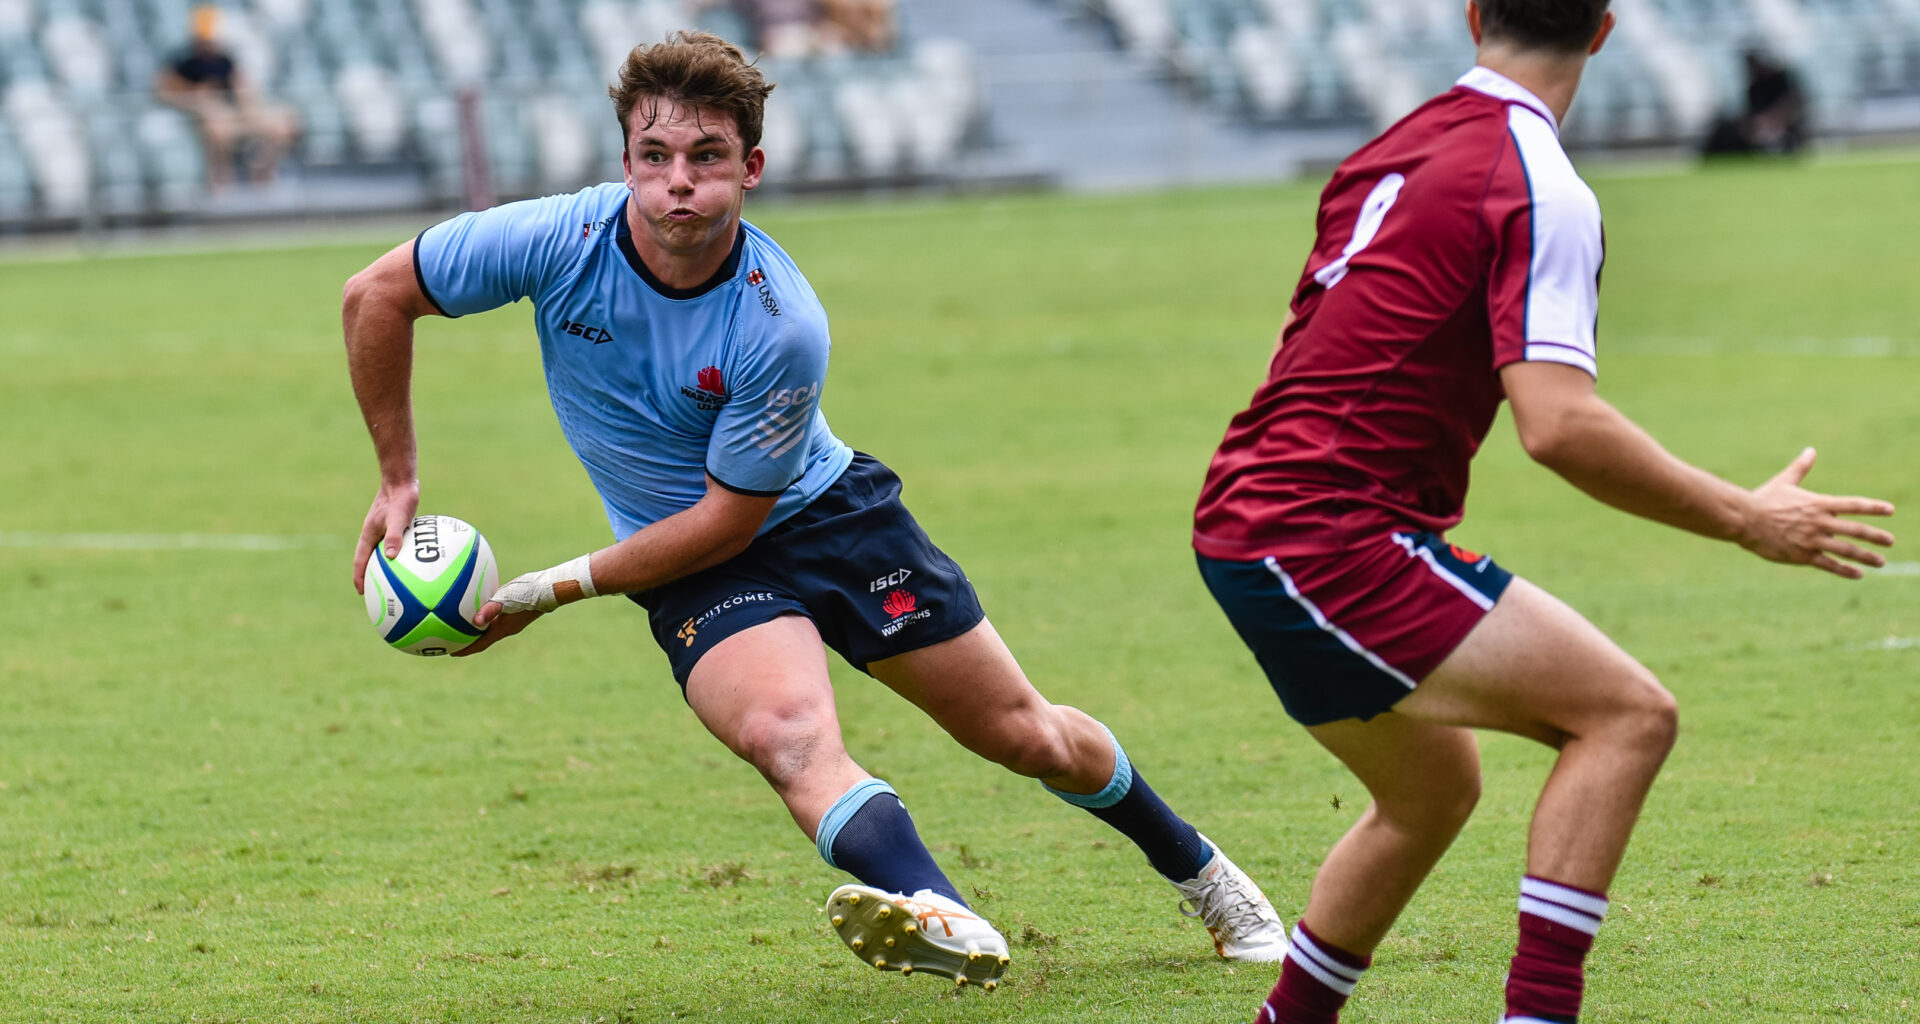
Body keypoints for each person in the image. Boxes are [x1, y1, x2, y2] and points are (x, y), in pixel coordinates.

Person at [344, 31, 1286, 989]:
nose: (678, 181)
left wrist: (548, 590)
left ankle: (1201, 870)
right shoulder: (558, 241)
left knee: (1024, 734)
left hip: (831, 522)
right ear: (624, 161)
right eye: (654, 156)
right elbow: (376, 294)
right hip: (690, 565)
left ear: (751, 168)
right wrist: (397, 478)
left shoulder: (780, 323)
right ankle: (941, 911)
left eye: (707, 157)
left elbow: (730, 519)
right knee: (786, 736)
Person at [1189, 3, 1894, 1022]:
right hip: (1323, 534)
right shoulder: (1538, 182)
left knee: (1431, 795)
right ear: (1603, 31)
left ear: (1475, 14)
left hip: (1257, 516)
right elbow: (1559, 426)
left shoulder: (1393, 148)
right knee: (1628, 715)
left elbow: (1309, 343)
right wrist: (1746, 517)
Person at [153, 4, 300, 188]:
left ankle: (262, 171)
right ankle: (222, 178)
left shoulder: (226, 59)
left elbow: (244, 89)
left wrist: (248, 102)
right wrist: (195, 98)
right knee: (218, 127)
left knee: (284, 125)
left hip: (236, 113)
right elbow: (163, 90)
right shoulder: (183, 61)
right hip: (211, 117)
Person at [1701, 48, 1808, 157]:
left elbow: (1793, 104)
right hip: (1760, 129)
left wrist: (1774, 121)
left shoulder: (1783, 80)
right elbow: (1752, 112)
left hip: (1784, 127)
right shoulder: (1754, 88)